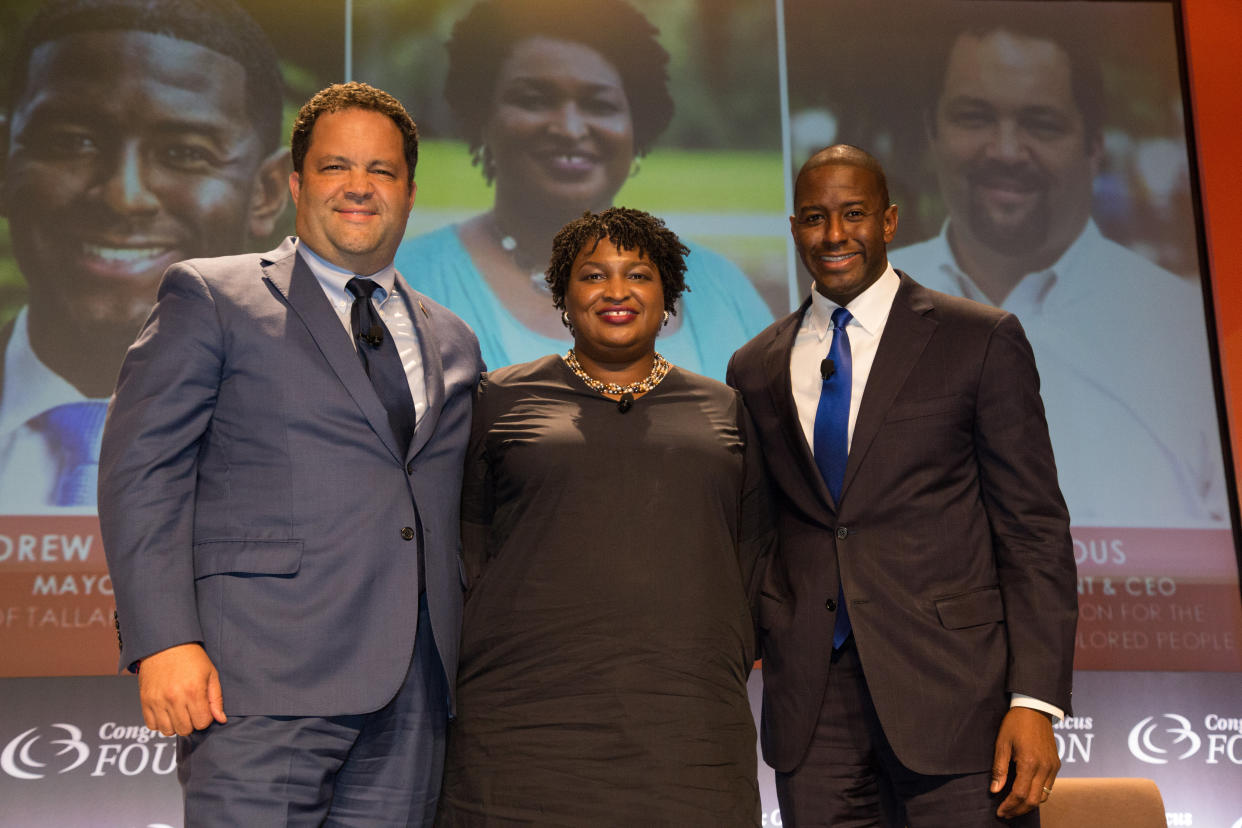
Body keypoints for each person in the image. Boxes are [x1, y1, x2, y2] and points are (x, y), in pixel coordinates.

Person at [99, 82, 483, 825]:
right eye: (337, 167)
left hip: (415, 695)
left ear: (408, 189)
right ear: (296, 182)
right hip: (255, 685)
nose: (359, 188)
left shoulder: (452, 338)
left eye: (381, 170)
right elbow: (140, 474)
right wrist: (163, 640)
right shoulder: (210, 296)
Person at [728, 145, 1077, 827]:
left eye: (853, 214)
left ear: (888, 222)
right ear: (795, 228)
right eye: (814, 218)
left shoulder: (978, 339)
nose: (833, 235)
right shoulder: (754, 366)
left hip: (957, 699)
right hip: (813, 711)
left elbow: (1032, 528)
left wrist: (1033, 702)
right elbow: (761, 531)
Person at [441, 207, 772, 825]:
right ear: (564, 294)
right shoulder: (498, 397)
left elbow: (751, 554)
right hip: (522, 725)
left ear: (668, 293)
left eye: (638, 275)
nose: (616, 291)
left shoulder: (725, 408)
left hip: (686, 731)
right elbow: (467, 544)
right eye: (594, 275)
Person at [888, 11, 1227, 528]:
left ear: (1095, 147)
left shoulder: (1185, 334)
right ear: (932, 132)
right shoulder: (855, 315)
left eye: (1041, 123)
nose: (1004, 150)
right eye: (974, 117)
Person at [0, 0, 290, 514]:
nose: (123, 197)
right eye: (73, 142)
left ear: (266, 192)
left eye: (185, 152)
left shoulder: (337, 436)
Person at [394, 0, 772, 380]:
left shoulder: (720, 287)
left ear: (636, 125)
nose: (571, 129)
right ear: (482, 116)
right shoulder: (412, 287)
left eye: (599, 104)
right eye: (535, 100)